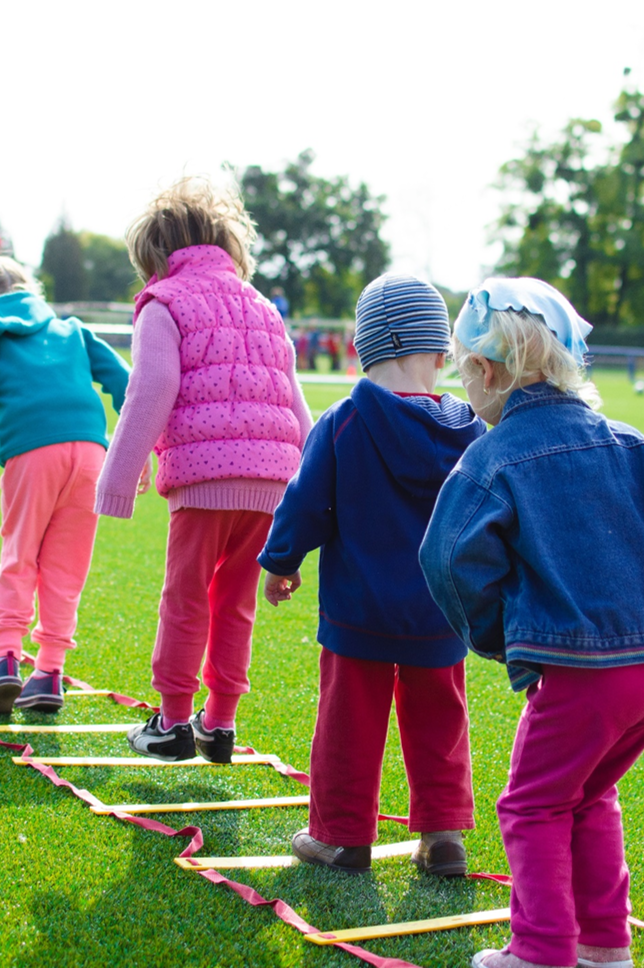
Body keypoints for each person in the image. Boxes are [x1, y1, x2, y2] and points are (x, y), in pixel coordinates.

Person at [419, 279, 644, 968]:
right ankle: (603, 946)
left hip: (585, 675)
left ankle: (539, 953)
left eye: (465, 372)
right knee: (589, 795)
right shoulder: (630, 441)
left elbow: (446, 558)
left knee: (530, 806)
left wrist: (501, 638)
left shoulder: (492, 457)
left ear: (487, 371)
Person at [259, 273, 485, 876]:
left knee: (348, 723)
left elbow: (305, 502)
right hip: (442, 611)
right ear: (440, 352)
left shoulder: (343, 421)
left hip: (357, 610)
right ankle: (443, 837)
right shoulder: (472, 429)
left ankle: (342, 835)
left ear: (360, 349)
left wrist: (281, 562)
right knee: (441, 720)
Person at [94, 175, 313, 762]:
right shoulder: (263, 306)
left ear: (156, 257)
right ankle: (218, 722)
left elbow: (154, 387)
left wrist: (118, 477)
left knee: (185, 597)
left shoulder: (163, 303)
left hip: (205, 478)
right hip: (273, 482)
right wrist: (314, 492)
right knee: (235, 601)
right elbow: (295, 401)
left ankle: (170, 723)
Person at [0, 257, 130, 714]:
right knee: (67, 567)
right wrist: (139, 446)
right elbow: (126, 382)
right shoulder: (72, 329)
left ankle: (5, 662)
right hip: (91, 455)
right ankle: (49, 673)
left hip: (33, 452)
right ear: (27, 289)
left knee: (19, 555)